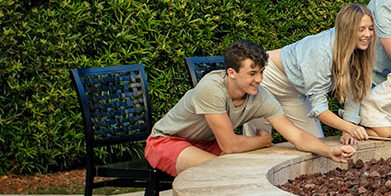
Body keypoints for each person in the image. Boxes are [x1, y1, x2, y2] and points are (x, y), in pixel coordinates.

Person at [145, 40, 354, 176]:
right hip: (167, 141)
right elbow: (229, 145)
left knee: (256, 169)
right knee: (223, 173)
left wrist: (330, 150)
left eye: (262, 72)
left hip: (208, 143)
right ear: (232, 72)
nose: (259, 80)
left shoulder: (261, 97)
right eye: (252, 73)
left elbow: (297, 136)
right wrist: (262, 140)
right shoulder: (210, 89)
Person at [252, 3, 375, 141]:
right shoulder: (321, 51)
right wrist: (349, 127)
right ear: (347, 29)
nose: (368, 34)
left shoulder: (360, 50)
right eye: (361, 29)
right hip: (267, 80)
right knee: (259, 139)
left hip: (296, 91)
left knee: (315, 141)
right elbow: (319, 108)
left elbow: (355, 93)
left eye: (370, 29)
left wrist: (349, 129)